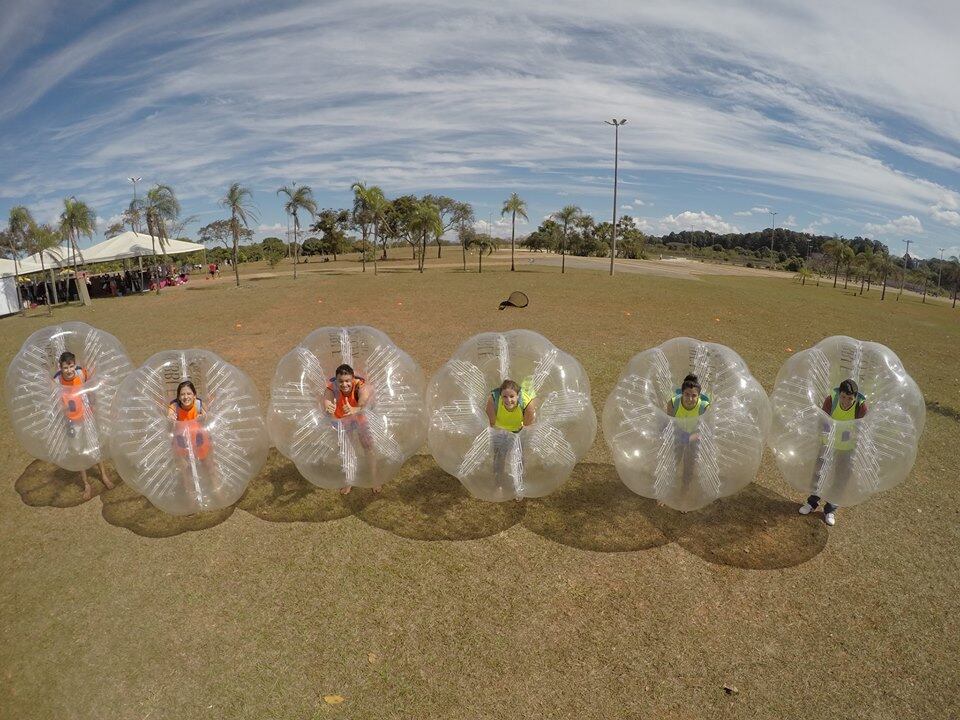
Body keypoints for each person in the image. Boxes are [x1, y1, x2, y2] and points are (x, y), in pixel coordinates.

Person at [799, 378, 867, 526]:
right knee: (819, 473)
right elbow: (822, 420)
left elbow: (861, 429)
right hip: (828, 443)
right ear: (839, 394)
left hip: (846, 447)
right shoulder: (831, 400)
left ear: (855, 397)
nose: (846, 402)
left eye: (850, 399)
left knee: (840, 477)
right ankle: (812, 503)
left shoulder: (860, 407)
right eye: (843, 397)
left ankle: (830, 510)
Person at [54, 351, 114, 501]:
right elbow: (53, 396)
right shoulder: (57, 380)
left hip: (86, 415)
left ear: (75, 365)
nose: (69, 370)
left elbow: (92, 385)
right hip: (71, 421)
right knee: (79, 450)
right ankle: (86, 483)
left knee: (95, 445)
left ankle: (104, 475)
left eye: (71, 366)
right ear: (60, 367)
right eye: (65, 367)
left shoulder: (80, 373)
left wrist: (93, 402)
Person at [323, 364, 379, 494]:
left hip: (360, 418)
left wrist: (355, 409)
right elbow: (327, 400)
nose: (344, 384)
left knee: (368, 447)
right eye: (341, 381)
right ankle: (350, 481)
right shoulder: (331, 388)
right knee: (347, 450)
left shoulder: (360, 386)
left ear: (353, 379)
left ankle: (375, 478)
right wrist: (328, 407)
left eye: (347, 381)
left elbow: (363, 401)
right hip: (343, 420)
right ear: (336, 380)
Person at [485, 379, 539, 487]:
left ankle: (518, 483)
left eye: (512, 396)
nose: (508, 400)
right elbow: (492, 422)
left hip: (519, 431)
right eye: (504, 396)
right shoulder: (494, 399)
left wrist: (518, 435)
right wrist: (499, 434)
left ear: (518, 396)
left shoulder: (527, 404)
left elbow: (527, 424)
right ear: (500, 396)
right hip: (500, 429)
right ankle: (498, 483)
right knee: (499, 457)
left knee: (519, 456)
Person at [665, 374, 711, 489]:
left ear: (699, 396)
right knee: (673, 460)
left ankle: (685, 487)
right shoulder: (673, 403)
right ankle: (668, 485)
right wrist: (678, 436)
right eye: (687, 394)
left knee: (689, 463)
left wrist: (690, 438)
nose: (690, 399)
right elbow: (669, 423)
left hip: (695, 435)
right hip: (679, 433)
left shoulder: (704, 407)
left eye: (694, 395)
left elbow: (708, 430)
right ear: (682, 393)